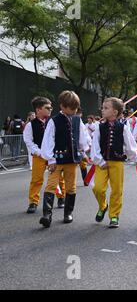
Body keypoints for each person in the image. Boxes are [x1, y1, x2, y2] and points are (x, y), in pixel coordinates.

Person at [39, 91, 89, 228]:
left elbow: (82, 138)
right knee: (51, 185)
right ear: (62, 106)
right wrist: (50, 159)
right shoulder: (54, 121)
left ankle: (68, 213)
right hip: (56, 160)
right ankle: (47, 215)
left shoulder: (78, 120)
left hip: (72, 159)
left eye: (75, 108)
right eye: (71, 108)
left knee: (71, 186)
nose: (73, 111)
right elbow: (48, 140)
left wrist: (83, 153)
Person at [91, 98, 137, 228]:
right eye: (103, 107)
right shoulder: (99, 127)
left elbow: (130, 146)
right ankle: (103, 206)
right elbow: (95, 146)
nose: (102, 110)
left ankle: (114, 215)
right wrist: (99, 161)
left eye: (105, 108)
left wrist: (136, 158)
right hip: (102, 163)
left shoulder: (123, 128)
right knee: (98, 188)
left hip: (117, 162)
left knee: (116, 190)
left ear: (114, 112)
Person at [23, 97, 66, 213]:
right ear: (38, 110)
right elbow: (29, 141)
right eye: (47, 108)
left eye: (51, 107)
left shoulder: (53, 122)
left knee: (59, 178)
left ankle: (61, 197)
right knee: (36, 179)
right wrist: (40, 152)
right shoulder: (30, 125)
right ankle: (33, 202)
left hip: (53, 155)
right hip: (38, 156)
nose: (50, 109)